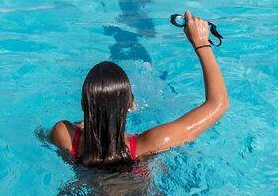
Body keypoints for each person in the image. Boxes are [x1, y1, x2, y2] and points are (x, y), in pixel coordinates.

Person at [49, 12, 229, 168]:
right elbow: (218, 103)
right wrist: (201, 43)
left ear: (83, 104)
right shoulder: (148, 144)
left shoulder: (64, 134)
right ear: (131, 104)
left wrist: (93, 118)